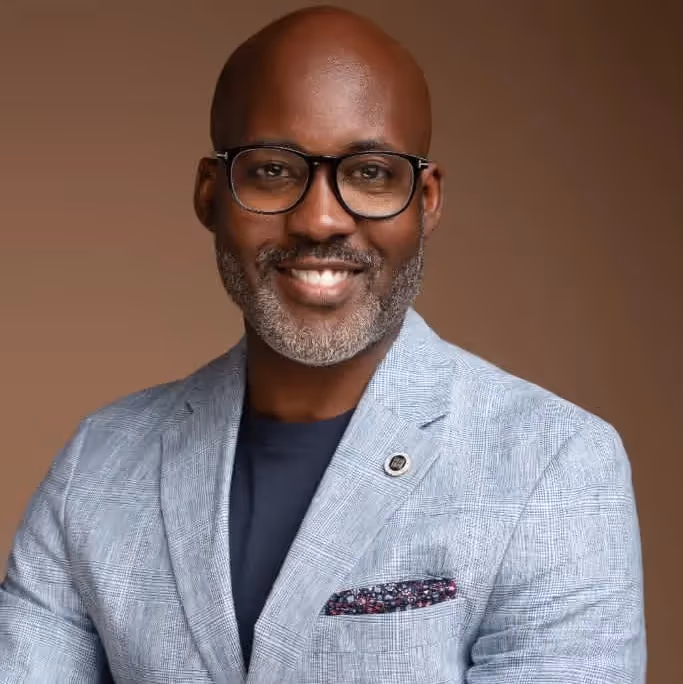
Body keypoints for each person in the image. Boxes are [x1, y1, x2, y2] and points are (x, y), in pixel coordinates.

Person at [0, 6, 646, 683]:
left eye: (370, 172)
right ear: (210, 194)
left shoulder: (552, 464)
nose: (319, 219)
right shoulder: (96, 466)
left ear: (425, 201)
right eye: (273, 170)